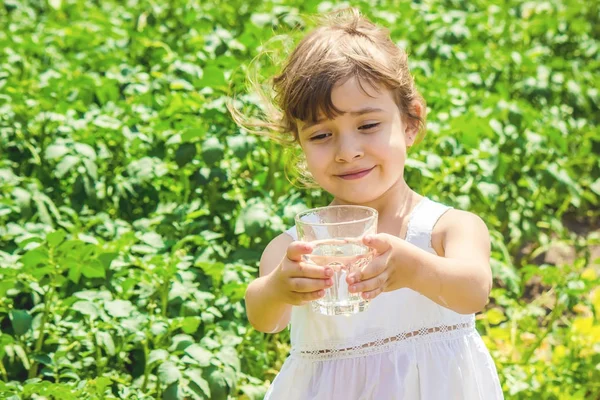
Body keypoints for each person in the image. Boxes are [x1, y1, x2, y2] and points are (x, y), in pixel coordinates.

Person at [231, 7, 504, 400]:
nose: (348, 151)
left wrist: (413, 268)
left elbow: (474, 292)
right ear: (299, 142)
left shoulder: (448, 228)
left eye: (368, 126)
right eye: (322, 135)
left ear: (411, 122)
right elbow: (265, 319)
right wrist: (278, 288)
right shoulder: (297, 246)